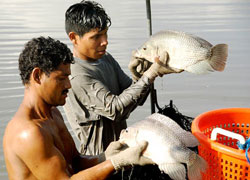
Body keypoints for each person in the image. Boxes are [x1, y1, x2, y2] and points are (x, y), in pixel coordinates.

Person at [3, 36, 154, 180]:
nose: (68, 85)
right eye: (61, 78)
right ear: (37, 76)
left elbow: (75, 162)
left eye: (68, 77)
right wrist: (115, 163)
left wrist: (105, 157)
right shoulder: (28, 133)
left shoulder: (53, 113)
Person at [64, 0, 174, 155]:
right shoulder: (76, 74)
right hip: (98, 159)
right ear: (74, 38)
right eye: (96, 37)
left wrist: (139, 74)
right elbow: (116, 110)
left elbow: (134, 98)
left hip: (121, 149)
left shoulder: (105, 58)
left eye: (105, 34)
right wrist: (150, 75)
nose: (105, 42)